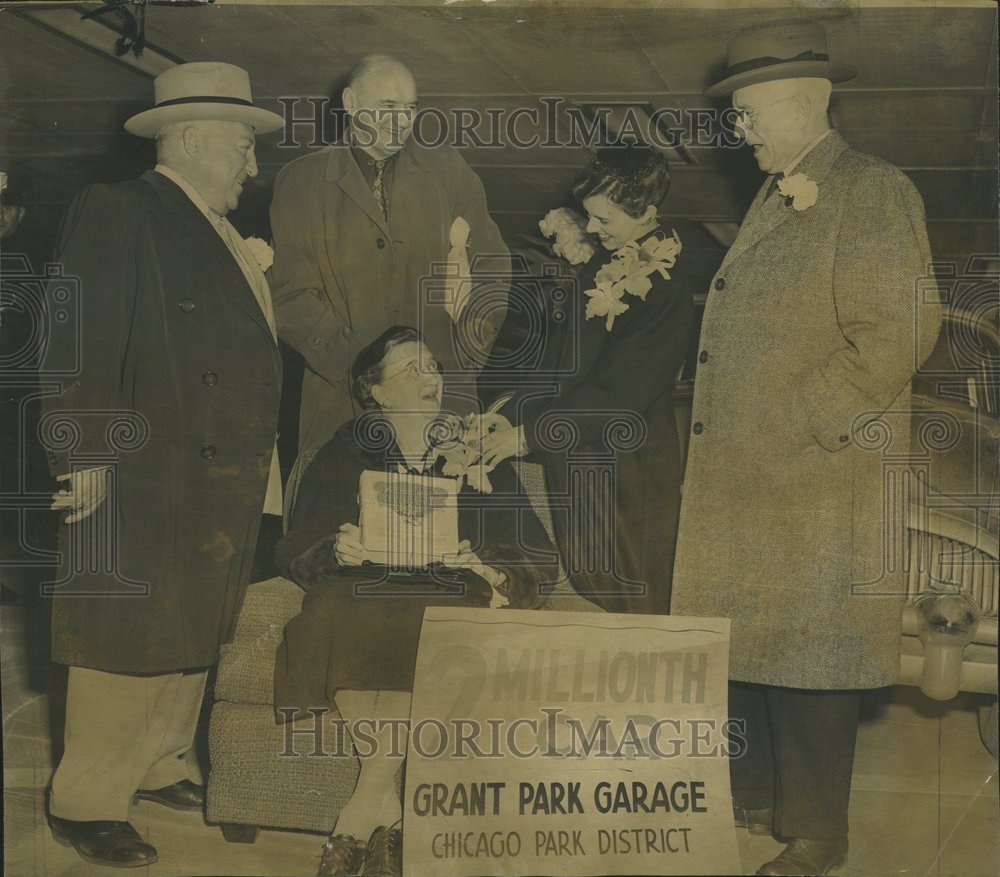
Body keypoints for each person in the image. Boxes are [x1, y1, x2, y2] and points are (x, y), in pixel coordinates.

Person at [670, 21, 942, 877]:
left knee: (813, 664)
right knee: (758, 649)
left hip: (818, 475)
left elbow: (898, 333)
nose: (736, 130)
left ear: (797, 103)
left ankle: (820, 836)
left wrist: (804, 424)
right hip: (760, 475)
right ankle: (761, 803)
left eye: (747, 113)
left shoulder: (870, 188)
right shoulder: (777, 190)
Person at [40, 62, 285, 868]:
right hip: (143, 464)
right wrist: (83, 451)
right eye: (242, 146)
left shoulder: (214, 228)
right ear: (189, 138)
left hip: (215, 473)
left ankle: (159, 761)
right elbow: (77, 338)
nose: (253, 164)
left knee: (189, 630)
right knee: (123, 636)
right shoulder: (120, 209)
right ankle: (86, 800)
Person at [273, 326, 560, 877]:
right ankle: (394, 818)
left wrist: (491, 567)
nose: (429, 377)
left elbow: (534, 550)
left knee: (430, 623)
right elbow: (296, 544)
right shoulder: (346, 449)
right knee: (337, 611)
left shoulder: (473, 448)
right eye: (411, 369)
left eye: (433, 366)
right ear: (375, 392)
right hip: (364, 588)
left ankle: (358, 816)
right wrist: (336, 547)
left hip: (449, 590)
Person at [478, 144, 696, 615]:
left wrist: (527, 435)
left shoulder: (668, 282)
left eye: (604, 219)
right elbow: (562, 368)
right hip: (579, 463)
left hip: (628, 474)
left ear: (647, 215)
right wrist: (505, 415)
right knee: (594, 594)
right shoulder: (601, 265)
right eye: (589, 217)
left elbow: (619, 393)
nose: (591, 229)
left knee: (632, 602)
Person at [269, 54, 510, 460]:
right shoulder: (301, 181)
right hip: (343, 399)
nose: (402, 121)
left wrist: (462, 353)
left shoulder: (449, 171)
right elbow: (290, 295)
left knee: (440, 517)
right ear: (350, 102)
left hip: (443, 398)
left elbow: (493, 269)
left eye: (411, 108)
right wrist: (368, 369)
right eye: (388, 108)